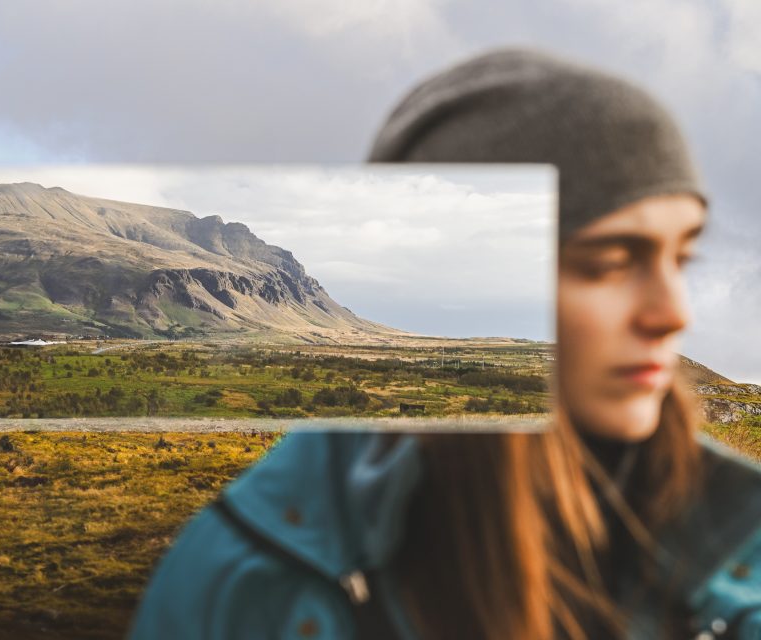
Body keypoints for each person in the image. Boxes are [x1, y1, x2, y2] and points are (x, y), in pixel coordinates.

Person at [127, 49, 761, 639]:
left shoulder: (741, 542)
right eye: (610, 262)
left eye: (683, 256)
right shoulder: (243, 585)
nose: (674, 312)